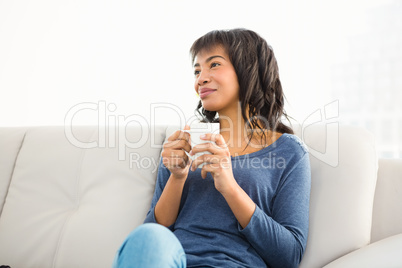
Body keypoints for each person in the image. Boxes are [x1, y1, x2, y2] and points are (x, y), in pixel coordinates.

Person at [113, 28, 311, 268]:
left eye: (214, 65)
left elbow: (289, 256)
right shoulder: (185, 143)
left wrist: (230, 187)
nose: (200, 79)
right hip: (176, 261)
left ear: (248, 69)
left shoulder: (288, 152)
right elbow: (150, 242)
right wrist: (177, 177)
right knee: (147, 239)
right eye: (197, 71)